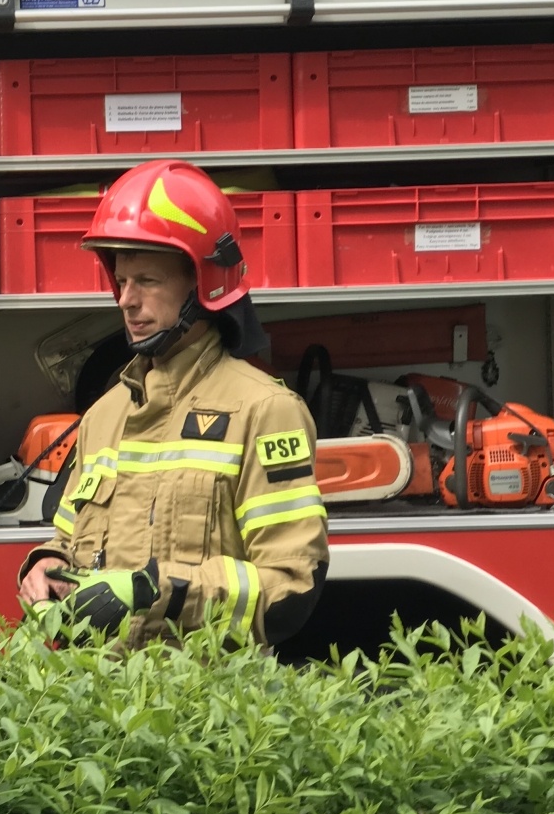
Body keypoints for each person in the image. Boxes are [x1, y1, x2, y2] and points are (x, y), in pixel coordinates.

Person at [18, 159, 328, 648]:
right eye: (121, 281)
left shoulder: (264, 412)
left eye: (148, 280)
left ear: (203, 284)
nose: (125, 300)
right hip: (101, 703)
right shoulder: (104, 416)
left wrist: (157, 592)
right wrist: (47, 567)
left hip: (205, 712)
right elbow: (69, 541)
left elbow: (290, 590)